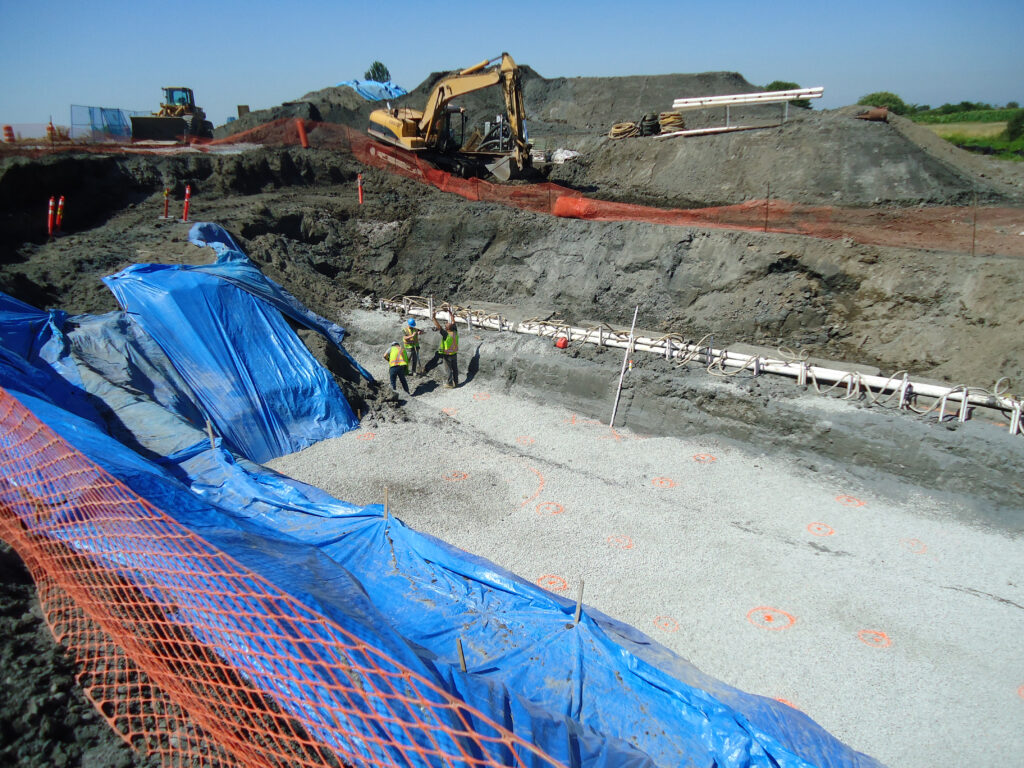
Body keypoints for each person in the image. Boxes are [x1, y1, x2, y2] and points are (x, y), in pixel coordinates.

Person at [432, 307, 459, 388]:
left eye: (447, 324)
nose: (446, 323)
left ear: (448, 328)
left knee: (448, 370)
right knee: (455, 369)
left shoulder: (446, 334)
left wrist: (434, 317)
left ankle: (450, 384)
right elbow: (453, 321)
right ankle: (456, 382)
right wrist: (450, 313)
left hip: (447, 355)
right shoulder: (455, 331)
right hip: (454, 353)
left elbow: (439, 327)